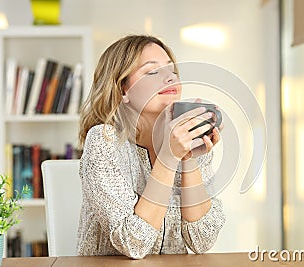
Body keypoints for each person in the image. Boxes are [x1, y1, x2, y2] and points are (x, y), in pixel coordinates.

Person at [76, 34, 226, 259]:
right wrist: (169, 157)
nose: (170, 79)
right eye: (152, 72)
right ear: (123, 90)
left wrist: (188, 158)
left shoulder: (187, 137)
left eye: (171, 71)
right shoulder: (103, 141)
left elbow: (201, 240)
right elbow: (133, 244)